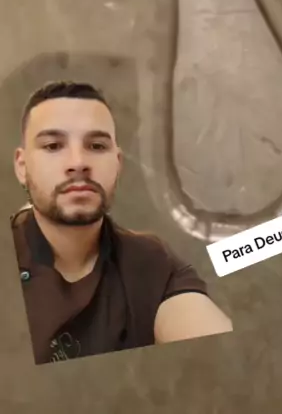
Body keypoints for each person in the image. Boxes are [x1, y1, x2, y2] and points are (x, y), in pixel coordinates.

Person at [11, 80, 232, 364]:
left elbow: (218, 355)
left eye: (96, 146)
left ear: (118, 162)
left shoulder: (151, 263)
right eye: (53, 146)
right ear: (22, 166)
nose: (78, 162)